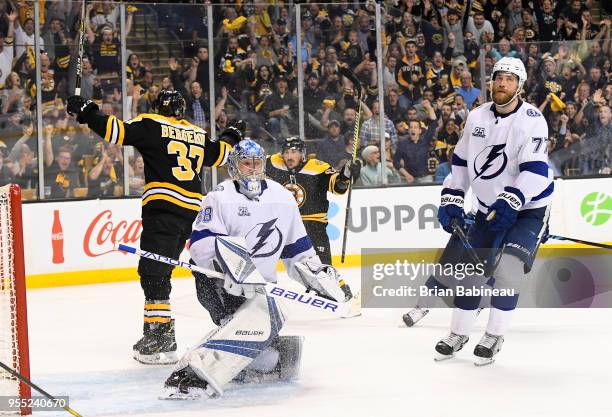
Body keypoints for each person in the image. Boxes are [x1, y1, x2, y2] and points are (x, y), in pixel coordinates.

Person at [66, 90, 245, 365]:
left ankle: (160, 338)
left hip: (163, 209)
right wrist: (232, 134)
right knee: (170, 269)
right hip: (193, 212)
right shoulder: (196, 133)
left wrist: (87, 110)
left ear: (158, 107)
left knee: (153, 272)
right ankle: (224, 315)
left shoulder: (151, 124)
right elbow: (220, 154)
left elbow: (115, 131)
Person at [161, 140, 349, 398]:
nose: (252, 169)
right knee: (251, 320)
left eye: (257, 163)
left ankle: (246, 355)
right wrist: (231, 268)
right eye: (245, 163)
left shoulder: (282, 197)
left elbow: (298, 251)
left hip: (259, 284)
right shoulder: (219, 196)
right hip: (217, 281)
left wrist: (319, 279)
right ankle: (198, 372)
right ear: (234, 166)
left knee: (266, 330)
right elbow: (200, 245)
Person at [434, 57, 552, 365]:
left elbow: (537, 170)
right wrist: (452, 197)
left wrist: (511, 199)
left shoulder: (531, 119)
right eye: (498, 77)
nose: (502, 83)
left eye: (509, 79)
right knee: (471, 270)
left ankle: (494, 335)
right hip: (488, 209)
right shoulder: (476, 117)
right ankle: (458, 332)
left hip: (528, 209)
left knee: (508, 270)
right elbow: (460, 164)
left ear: (519, 85)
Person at [265, 136, 360, 300]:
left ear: (302, 154)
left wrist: (346, 174)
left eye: (293, 152)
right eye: (286, 152)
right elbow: (250, 167)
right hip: (282, 224)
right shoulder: (272, 163)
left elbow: (338, 187)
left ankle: (341, 290)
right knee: (262, 257)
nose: (289, 156)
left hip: (313, 224)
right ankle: (253, 290)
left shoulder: (318, 168)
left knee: (322, 264)